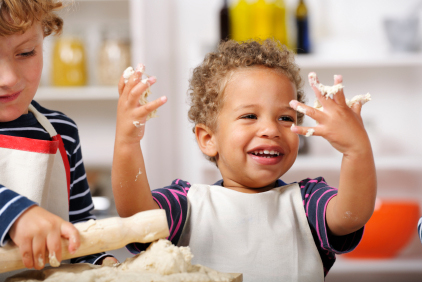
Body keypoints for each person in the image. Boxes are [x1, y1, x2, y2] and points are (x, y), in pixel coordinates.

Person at [112, 39, 377, 282]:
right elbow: (138, 219)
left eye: (286, 118)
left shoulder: (308, 203)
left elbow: (350, 215)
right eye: (250, 116)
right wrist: (127, 142)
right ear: (208, 139)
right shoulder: (186, 205)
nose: (271, 130)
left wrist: (357, 150)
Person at [0, 0, 117, 271]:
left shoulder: (62, 132)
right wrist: (16, 214)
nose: (7, 78)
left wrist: (101, 262)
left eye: (26, 52)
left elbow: (79, 234)